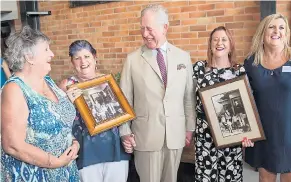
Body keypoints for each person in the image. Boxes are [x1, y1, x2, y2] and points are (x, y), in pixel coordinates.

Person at [119, 4, 196, 182]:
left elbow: (188, 97)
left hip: (175, 136)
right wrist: (124, 131)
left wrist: (190, 127)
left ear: (165, 27)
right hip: (145, 137)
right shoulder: (132, 60)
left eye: (149, 29)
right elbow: (124, 101)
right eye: (142, 29)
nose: (145, 34)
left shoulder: (183, 57)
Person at [1, 26, 80, 181]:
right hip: (34, 175)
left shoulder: (49, 82)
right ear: (29, 57)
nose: (52, 54)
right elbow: (12, 144)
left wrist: (74, 143)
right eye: (46, 50)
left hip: (66, 171)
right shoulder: (15, 89)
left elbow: (60, 123)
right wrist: (54, 162)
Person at [244, 13, 291, 182]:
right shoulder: (251, 62)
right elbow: (244, 101)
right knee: (265, 179)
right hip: (264, 135)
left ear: (286, 33)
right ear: (263, 32)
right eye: (271, 26)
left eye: (281, 27)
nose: (276, 31)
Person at [59, 40, 130, 182]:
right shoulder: (67, 85)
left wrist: (126, 135)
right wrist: (66, 101)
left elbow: (122, 114)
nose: (82, 62)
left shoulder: (108, 81)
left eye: (86, 56)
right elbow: (58, 117)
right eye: (77, 58)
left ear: (94, 57)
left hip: (114, 148)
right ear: (72, 62)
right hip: (85, 150)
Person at [192, 26, 253, 182]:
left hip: (231, 135)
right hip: (204, 135)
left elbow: (247, 107)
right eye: (215, 39)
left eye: (224, 39)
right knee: (205, 177)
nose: (219, 43)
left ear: (231, 44)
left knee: (230, 177)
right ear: (210, 44)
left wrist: (249, 133)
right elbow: (188, 100)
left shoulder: (239, 71)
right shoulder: (198, 69)